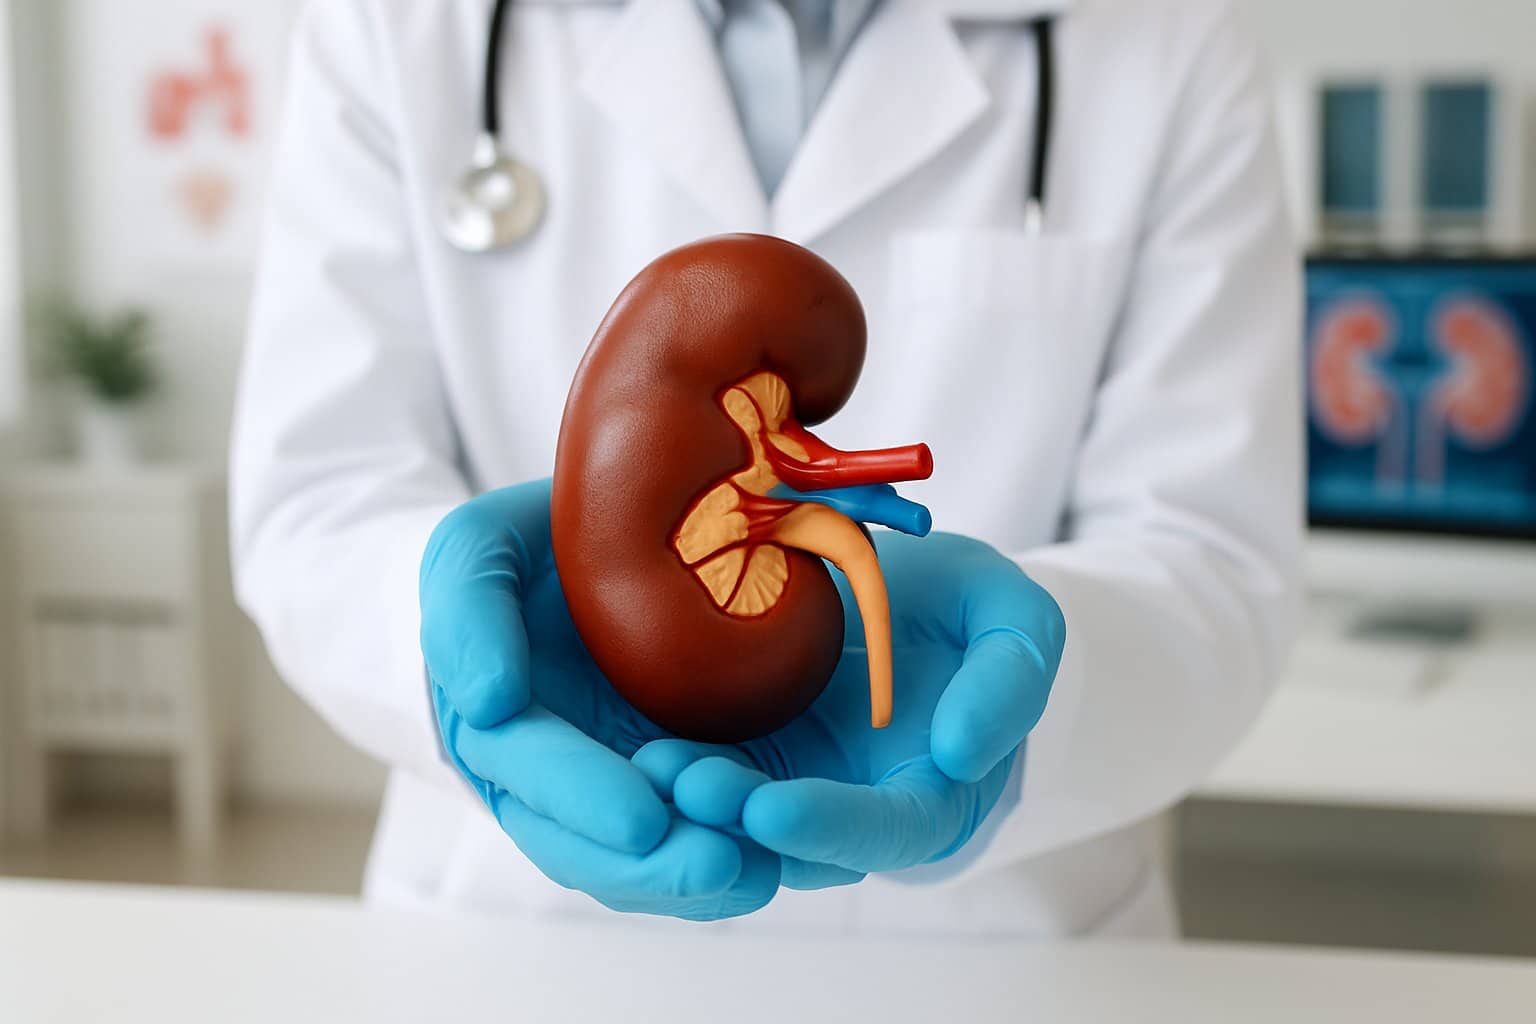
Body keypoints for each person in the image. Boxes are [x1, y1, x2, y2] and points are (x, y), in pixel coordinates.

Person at [231, 0, 1300, 938]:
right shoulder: (398, 22)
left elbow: (1212, 556)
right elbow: (318, 497)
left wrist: (1028, 702)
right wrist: (442, 637)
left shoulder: (1164, 34)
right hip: (520, 938)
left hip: (998, 954)